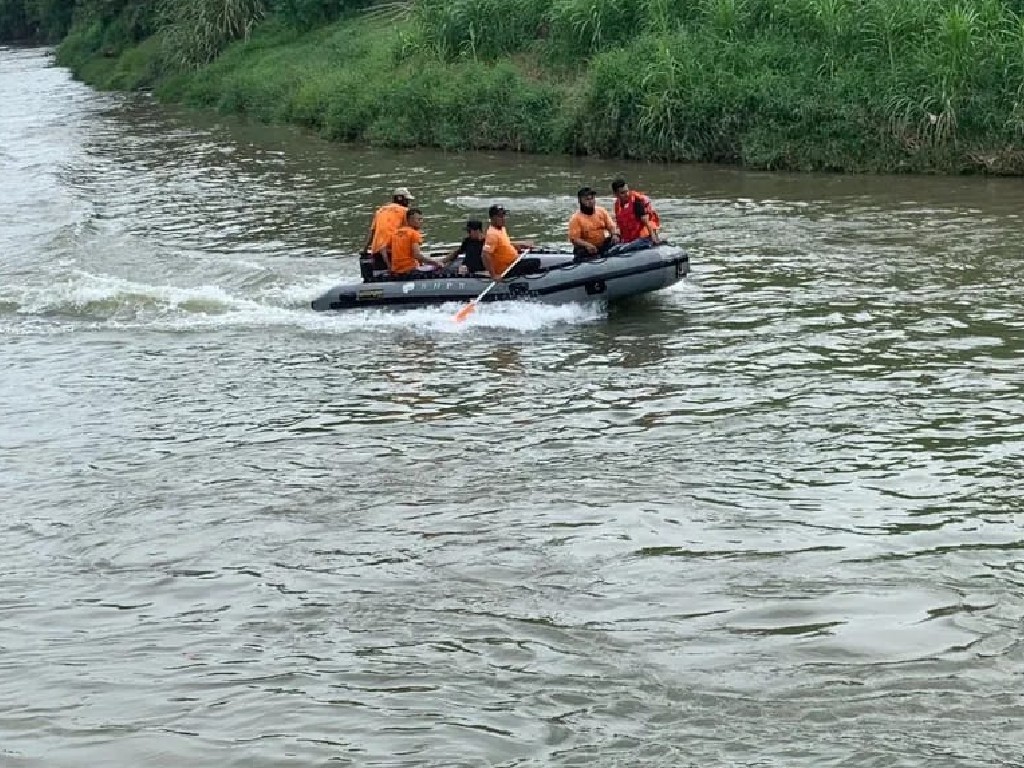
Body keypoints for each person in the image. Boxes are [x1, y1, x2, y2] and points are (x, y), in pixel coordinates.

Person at [361, 187, 415, 272]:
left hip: (376, 251)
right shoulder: (405, 211)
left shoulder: (380, 211)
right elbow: (410, 232)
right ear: (400, 198)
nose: (408, 203)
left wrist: (364, 250)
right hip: (392, 250)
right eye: (407, 200)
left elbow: (372, 233)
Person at [387, 208, 445, 277]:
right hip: (410, 270)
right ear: (410, 220)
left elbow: (389, 250)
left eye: (422, 219)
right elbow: (417, 255)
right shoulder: (414, 233)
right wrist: (436, 263)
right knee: (439, 268)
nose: (421, 222)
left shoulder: (395, 233)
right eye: (419, 219)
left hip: (396, 270)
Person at [482, 205, 534, 280]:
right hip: (506, 269)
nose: (503, 219)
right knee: (534, 263)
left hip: (513, 262)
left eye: (503, 216)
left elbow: (505, 245)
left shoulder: (501, 229)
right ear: (493, 218)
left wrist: (522, 245)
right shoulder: (492, 235)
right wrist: (493, 275)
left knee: (531, 263)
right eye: (500, 216)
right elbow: (485, 255)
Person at [568, 186, 618, 260]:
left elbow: (611, 226)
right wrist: (588, 245)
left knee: (616, 239)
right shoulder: (575, 218)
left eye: (592, 198)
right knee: (582, 251)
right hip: (586, 249)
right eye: (587, 199)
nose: (590, 201)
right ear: (580, 201)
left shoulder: (601, 211)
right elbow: (575, 239)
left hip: (601, 245)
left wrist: (614, 235)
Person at [611, 178, 661, 245]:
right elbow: (618, 224)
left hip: (642, 238)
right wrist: (616, 235)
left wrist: (653, 238)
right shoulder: (617, 205)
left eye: (627, 191)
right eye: (622, 193)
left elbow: (646, 221)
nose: (626, 194)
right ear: (615, 194)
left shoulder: (637, 202)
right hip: (629, 239)